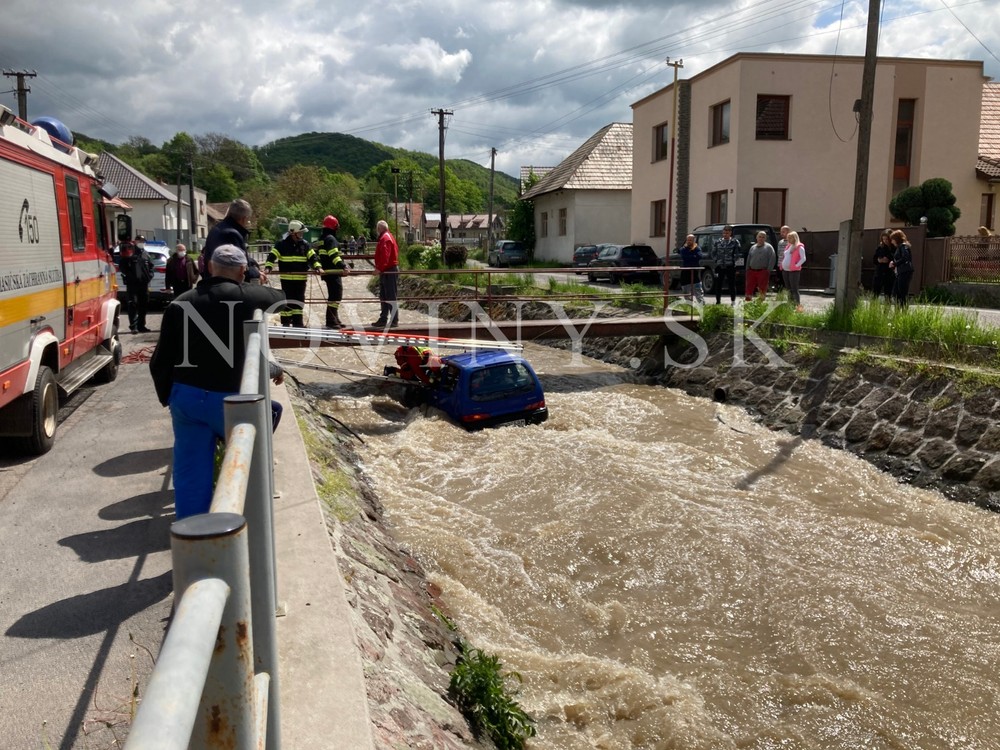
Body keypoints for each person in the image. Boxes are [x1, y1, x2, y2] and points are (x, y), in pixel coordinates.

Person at [149, 244, 286, 519]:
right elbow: (282, 297)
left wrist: (169, 398)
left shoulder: (180, 303)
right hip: (232, 402)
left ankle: (193, 536)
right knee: (265, 423)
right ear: (242, 270)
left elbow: (160, 359)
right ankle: (239, 513)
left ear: (209, 267)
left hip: (187, 399)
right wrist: (253, 280)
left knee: (189, 473)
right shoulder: (248, 297)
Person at [265, 220, 322, 328]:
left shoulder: (305, 245)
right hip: (286, 281)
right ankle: (285, 324)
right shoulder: (281, 244)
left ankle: (298, 324)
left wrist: (318, 267)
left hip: (300, 281)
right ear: (293, 233)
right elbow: (271, 257)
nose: (302, 235)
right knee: (286, 303)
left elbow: (313, 257)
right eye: (300, 233)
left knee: (298, 302)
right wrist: (268, 267)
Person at [201, 198, 263, 284]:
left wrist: (252, 262)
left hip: (213, 282)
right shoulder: (231, 234)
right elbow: (236, 263)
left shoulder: (217, 228)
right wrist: (256, 274)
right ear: (244, 218)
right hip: (226, 286)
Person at [315, 215, 351, 329]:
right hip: (333, 271)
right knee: (335, 295)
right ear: (334, 226)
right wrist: (343, 266)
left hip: (328, 271)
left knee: (334, 295)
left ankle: (334, 318)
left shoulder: (322, 238)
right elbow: (334, 255)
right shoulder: (331, 239)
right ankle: (331, 320)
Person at [119, 234, 154, 333]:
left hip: (144, 284)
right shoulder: (129, 253)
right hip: (132, 284)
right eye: (140, 241)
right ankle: (133, 327)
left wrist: (149, 276)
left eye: (143, 241)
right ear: (135, 241)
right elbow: (122, 267)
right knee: (133, 304)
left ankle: (141, 326)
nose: (142, 243)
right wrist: (129, 276)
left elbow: (151, 267)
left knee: (143, 305)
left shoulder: (146, 254)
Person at [372, 219, 400, 328]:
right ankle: (384, 319)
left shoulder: (385, 238)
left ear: (379, 228)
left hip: (389, 270)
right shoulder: (387, 237)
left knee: (390, 295)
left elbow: (385, 256)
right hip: (388, 270)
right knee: (384, 295)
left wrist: (379, 268)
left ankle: (393, 320)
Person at [712, 225, 742, 305]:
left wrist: (733, 261)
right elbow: (713, 253)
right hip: (720, 266)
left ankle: (733, 301)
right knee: (718, 284)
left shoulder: (734, 242)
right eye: (724, 233)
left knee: (731, 284)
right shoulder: (717, 242)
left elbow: (738, 254)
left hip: (730, 266)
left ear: (730, 233)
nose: (725, 234)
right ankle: (718, 301)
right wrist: (716, 260)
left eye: (727, 233)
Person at [745, 231, 776, 301]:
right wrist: (747, 269)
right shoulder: (753, 247)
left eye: (763, 237)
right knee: (749, 288)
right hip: (751, 271)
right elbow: (749, 258)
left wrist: (768, 270)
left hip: (763, 271)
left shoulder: (769, 247)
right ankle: (747, 303)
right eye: (759, 236)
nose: (761, 238)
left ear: (765, 238)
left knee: (762, 289)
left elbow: (772, 258)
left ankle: (760, 305)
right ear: (756, 237)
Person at [781, 230, 806, 310]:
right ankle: (790, 305)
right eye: (788, 237)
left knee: (794, 289)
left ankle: (798, 306)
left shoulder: (799, 246)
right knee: (788, 289)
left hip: (794, 271)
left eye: (790, 237)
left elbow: (803, 258)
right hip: (785, 270)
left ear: (795, 238)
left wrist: (796, 265)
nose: (789, 239)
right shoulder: (788, 246)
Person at [889, 229, 915, 306]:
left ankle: (903, 310)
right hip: (900, 272)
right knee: (896, 291)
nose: (892, 242)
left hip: (904, 272)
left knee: (902, 292)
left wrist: (895, 263)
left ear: (896, 239)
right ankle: (899, 309)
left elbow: (905, 257)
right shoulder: (900, 247)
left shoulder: (903, 246)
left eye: (892, 239)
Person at [677, 234, 704, 304]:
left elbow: (699, 256)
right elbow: (684, 257)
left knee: (698, 289)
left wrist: (691, 256)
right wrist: (693, 255)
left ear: (693, 241)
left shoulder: (697, 248)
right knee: (685, 289)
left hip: (694, 271)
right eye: (688, 240)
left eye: (691, 240)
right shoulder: (683, 249)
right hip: (685, 271)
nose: (689, 241)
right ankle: (690, 305)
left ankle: (701, 305)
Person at [872, 231, 895, 300]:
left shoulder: (893, 247)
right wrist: (879, 260)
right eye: (883, 239)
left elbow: (895, 258)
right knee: (875, 292)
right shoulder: (880, 247)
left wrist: (889, 260)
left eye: (887, 239)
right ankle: (873, 307)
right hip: (879, 272)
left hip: (889, 273)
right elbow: (874, 259)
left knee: (888, 293)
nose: (885, 241)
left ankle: (887, 309)